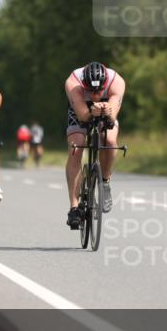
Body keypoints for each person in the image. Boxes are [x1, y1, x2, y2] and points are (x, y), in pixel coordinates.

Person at [65, 61, 126, 229]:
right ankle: (74, 207)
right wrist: (91, 111)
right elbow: (83, 116)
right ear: (84, 85)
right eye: (90, 91)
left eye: (99, 91)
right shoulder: (73, 82)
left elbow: (112, 119)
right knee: (76, 148)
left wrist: (107, 112)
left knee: (110, 141)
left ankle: (105, 181)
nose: (95, 95)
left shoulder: (117, 82)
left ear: (105, 85)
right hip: (80, 110)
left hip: (107, 109)